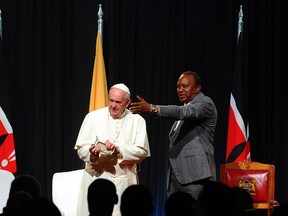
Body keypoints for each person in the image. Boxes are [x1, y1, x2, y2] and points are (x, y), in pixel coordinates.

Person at [129, 71, 217, 200]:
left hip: (196, 176)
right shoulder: (185, 108)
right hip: (176, 177)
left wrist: (153, 108)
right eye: (178, 86)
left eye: (185, 86)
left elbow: (183, 112)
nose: (180, 90)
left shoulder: (205, 103)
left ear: (197, 88)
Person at [74, 83, 151, 216]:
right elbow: (81, 149)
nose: (113, 105)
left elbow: (142, 152)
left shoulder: (137, 121)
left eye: (118, 102)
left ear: (127, 103)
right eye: (111, 100)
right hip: (96, 180)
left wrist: (119, 150)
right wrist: (92, 154)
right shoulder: (92, 117)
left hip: (124, 181)